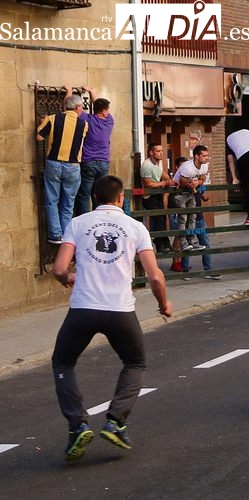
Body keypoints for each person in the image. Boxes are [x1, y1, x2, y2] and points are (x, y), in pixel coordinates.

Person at [51, 175, 172, 461]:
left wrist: (69, 277)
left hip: (83, 309)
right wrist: (163, 303)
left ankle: (78, 424)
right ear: (121, 198)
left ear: (94, 198)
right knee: (135, 362)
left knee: (63, 362)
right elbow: (155, 275)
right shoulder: (135, 227)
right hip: (120, 310)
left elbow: (58, 269)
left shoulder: (78, 223)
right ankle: (116, 421)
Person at [36, 92, 88, 245]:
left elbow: (39, 137)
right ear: (77, 108)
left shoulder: (52, 119)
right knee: (68, 203)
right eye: (82, 108)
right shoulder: (84, 124)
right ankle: (66, 236)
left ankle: (55, 234)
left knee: (52, 201)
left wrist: (42, 123)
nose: (82, 110)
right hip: (73, 166)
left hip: (54, 163)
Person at [74, 86, 114, 216]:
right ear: (103, 111)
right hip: (103, 163)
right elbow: (98, 106)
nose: (108, 112)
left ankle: (86, 220)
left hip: (88, 161)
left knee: (84, 194)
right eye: (107, 109)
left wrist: (69, 91)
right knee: (99, 195)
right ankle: (99, 219)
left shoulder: (87, 119)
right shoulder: (109, 121)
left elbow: (73, 110)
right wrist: (92, 91)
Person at [171, 145, 209, 252]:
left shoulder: (204, 166)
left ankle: (192, 241)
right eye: (204, 155)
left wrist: (197, 182)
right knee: (183, 218)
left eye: (207, 155)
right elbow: (182, 182)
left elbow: (202, 179)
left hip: (190, 192)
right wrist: (191, 184)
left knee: (192, 216)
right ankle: (183, 243)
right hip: (179, 193)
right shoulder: (188, 167)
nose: (207, 158)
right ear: (196, 156)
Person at [140, 142, 176, 253]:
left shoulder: (156, 164)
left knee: (163, 217)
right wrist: (165, 183)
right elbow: (148, 184)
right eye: (158, 151)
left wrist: (171, 180)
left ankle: (165, 243)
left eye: (162, 151)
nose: (161, 153)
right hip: (149, 196)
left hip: (156, 194)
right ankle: (159, 244)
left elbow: (161, 174)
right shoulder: (146, 165)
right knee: (158, 219)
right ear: (151, 152)